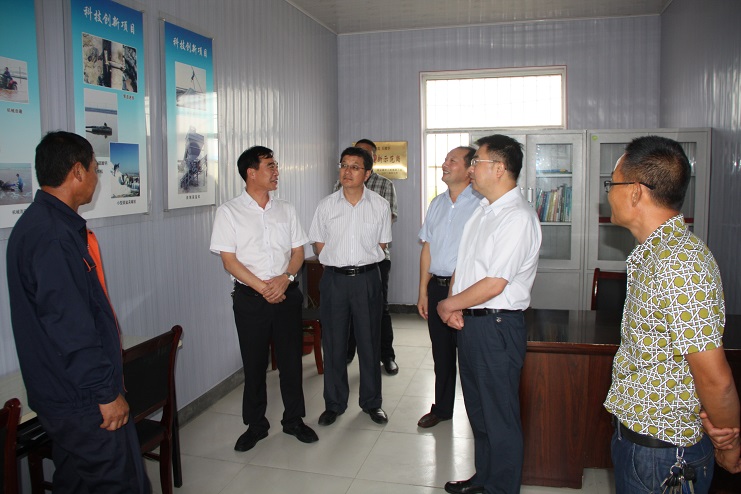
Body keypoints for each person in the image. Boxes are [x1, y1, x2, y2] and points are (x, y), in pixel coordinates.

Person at [6, 131, 150, 493]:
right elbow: (70, 326)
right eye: (95, 169)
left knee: (76, 482)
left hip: (62, 394)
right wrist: (105, 394)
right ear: (77, 172)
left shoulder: (40, 224)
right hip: (83, 399)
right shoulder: (53, 236)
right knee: (121, 482)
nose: (98, 178)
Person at [602, 135, 740, 493]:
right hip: (642, 443)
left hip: (664, 454)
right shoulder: (655, 253)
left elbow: (715, 378)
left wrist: (729, 445)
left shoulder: (680, 263)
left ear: (635, 192)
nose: (608, 194)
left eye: (611, 184)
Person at [438, 134, 542, 494]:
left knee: (499, 415)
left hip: (497, 326)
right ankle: (484, 478)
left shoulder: (517, 217)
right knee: (480, 412)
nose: (470, 169)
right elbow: (464, 266)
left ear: (499, 168)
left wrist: (448, 305)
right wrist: (454, 302)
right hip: (472, 323)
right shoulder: (483, 211)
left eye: (475, 162)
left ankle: (502, 488)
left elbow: (495, 282)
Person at [209, 146, 318, 452]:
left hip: (286, 294)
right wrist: (263, 287)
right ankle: (256, 425)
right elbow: (229, 261)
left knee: (291, 362)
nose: (276, 172)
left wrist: (286, 279)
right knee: (254, 364)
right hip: (250, 299)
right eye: (270, 166)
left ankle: (294, 419)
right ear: (251, 173)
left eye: (276, 165)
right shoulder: (229, 212)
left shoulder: (286, 209)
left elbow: (298, 252)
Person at [310, 146, 392, 426]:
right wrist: (337, 262)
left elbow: (382, 243)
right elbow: (319, 244)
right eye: (344, 165)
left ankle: (372, 403)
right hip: (334, 280)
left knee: (369, 342)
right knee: (334, 343)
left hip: (367, 279)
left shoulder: (379, 205)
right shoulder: (326, 205)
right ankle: (334, 403)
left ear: (367, 174)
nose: (347, 171)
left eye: (355, 167)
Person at [416, 146, 480, 428]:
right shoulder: (437, 203)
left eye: (452, 160)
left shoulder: (480, 204)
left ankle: (477, 413)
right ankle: (442, 409)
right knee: (441, 354)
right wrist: (423, 291)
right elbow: (427, 249)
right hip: (438, 289)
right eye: (445, 159)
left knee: (469, 356)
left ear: (469, 169)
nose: (445, 164)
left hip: (468, 292)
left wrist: (457, 296)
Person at [334, 139, 399, 375]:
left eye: (361, 157)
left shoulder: (385, 184)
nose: (350, 169)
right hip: (346, 260)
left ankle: (386, 355)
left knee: (379, 309)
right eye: (346, 163)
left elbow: (388, 220)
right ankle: (348, 352)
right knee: (348, 310)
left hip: (376, 259)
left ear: (372, 161)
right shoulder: (338, 185)